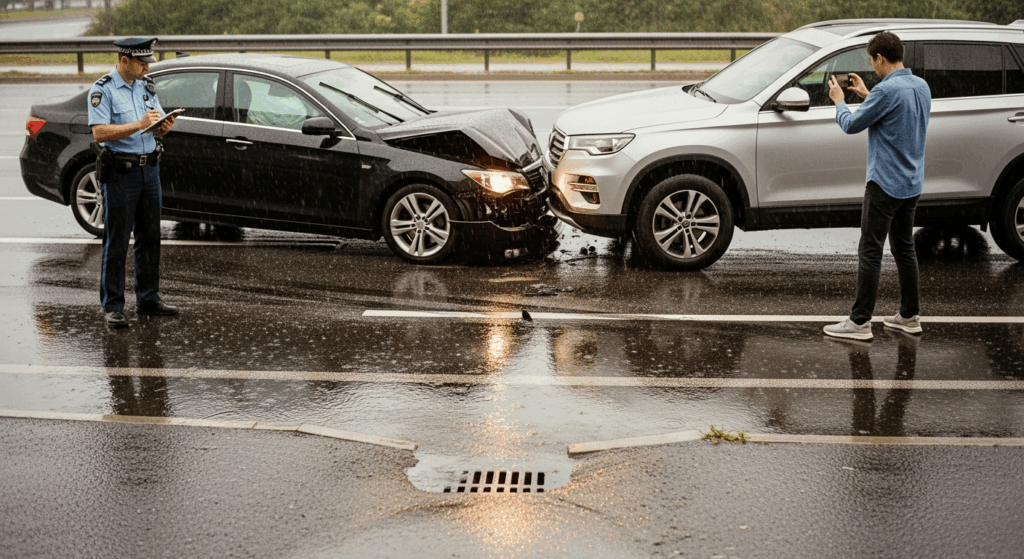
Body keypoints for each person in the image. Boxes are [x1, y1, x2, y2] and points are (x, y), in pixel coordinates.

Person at [824, 31, 931, 341]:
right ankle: (909, 316)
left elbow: (850, 125)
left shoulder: (887, 91)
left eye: (872, 61)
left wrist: (840, 101)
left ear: (881, 58)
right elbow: (899, 114)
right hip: (911, 183)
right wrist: (868, 94)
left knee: (870, 251)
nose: (872, 66)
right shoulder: (920, 86)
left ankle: (859, 322)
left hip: (884, 183)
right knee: (904, 248)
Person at [88, 37, 179, 328]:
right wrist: (138, 125)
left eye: (147, 62)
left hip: (149, 170)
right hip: (120, 173)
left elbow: (154, 125)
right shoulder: (103, 90)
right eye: (141, 63)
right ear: (124, 61)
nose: (145, 68)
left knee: (150, 238)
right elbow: (100, 132)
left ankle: (148, 298)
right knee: (117, 241)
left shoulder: (146, 86)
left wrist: (163, 127)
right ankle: (113, 306)